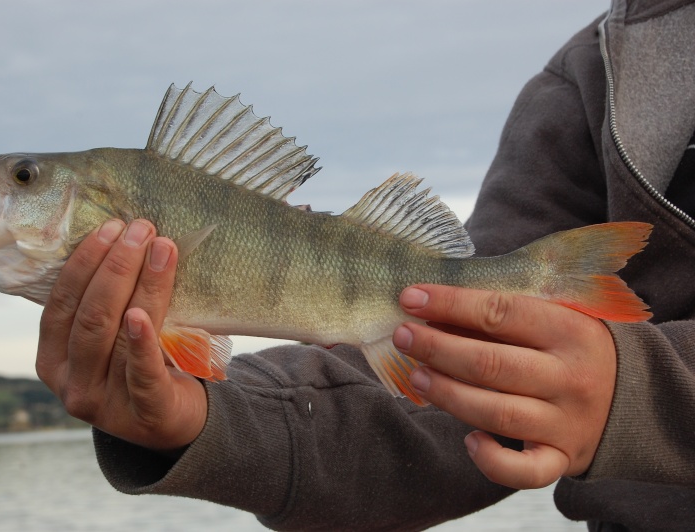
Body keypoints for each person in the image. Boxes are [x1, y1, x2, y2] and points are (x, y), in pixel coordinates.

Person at [35, 1, 695, 529]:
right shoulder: (595, 75)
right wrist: (199, 420)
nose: (10, 187)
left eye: (26, 177)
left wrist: (637, 396)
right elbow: (457, 373)